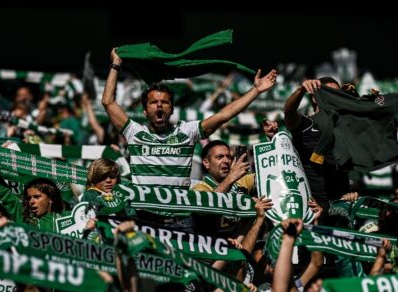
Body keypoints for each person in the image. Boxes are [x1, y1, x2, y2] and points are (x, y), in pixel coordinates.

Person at [102, 48, 277, 189]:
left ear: (172, 109)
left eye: (165, 102)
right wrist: (116, 65)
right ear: (145, 111)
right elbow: (108, 102)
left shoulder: (187, 131)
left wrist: (256, 91)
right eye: (153, 102)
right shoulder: (134, 132)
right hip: (145, 219)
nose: (159, 106)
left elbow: (224, 115)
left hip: (180, 223)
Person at [283, 77, 349, 211]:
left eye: (338, 94)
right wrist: (301, 90)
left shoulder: (347, 127)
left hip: (338, 209)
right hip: (309, 208)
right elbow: (289, 112)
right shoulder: (306, 124)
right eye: (329, 93)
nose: (335, 98)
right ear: (314, 98)